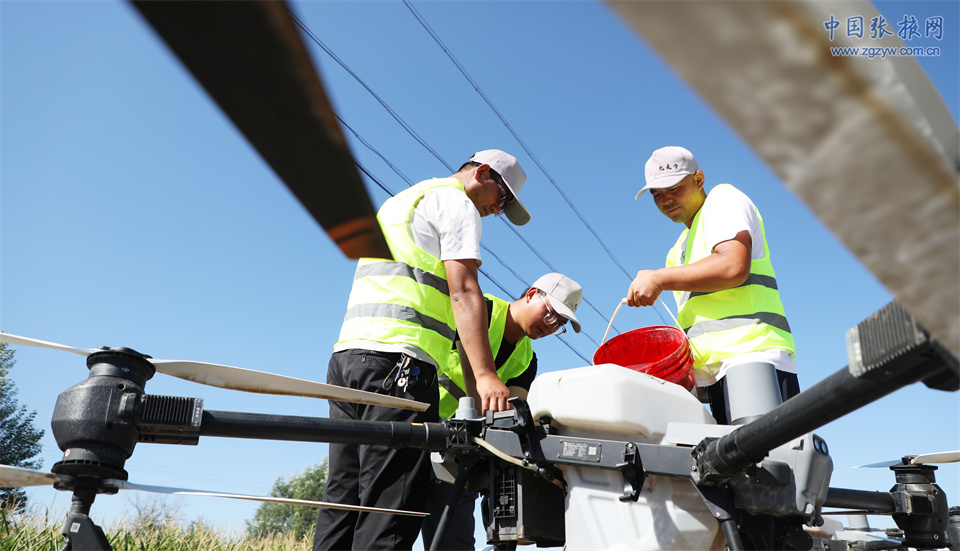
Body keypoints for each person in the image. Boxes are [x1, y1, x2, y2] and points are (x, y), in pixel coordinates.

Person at [313, 150, 532, 550]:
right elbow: (464, 290)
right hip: (399, 366)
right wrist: (485, 376)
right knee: (390, 506)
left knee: (343, 497)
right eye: (501, 198)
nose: (497, 210)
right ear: (483, 173)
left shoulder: (401, 201)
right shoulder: (457, 203)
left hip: (348, 359)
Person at [626, 146, 798, 425]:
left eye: (674, 188)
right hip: (712, 377)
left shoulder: (723, 199)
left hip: (750, 358)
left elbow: (732, 266)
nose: (666, 200)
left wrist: (658, 278)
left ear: (699, 179)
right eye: (656, 195)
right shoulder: (677, 251)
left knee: (766, 451)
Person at [420, 272, 583, 551]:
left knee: (454, 544)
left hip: (456, 456)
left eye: (560, 323)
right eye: (551, 314)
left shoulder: (527, 360)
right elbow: (474, 388)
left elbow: (507, 419)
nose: (552, 326)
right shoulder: (478, 310)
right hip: (420, 429)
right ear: (531, 295)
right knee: (391, 528)